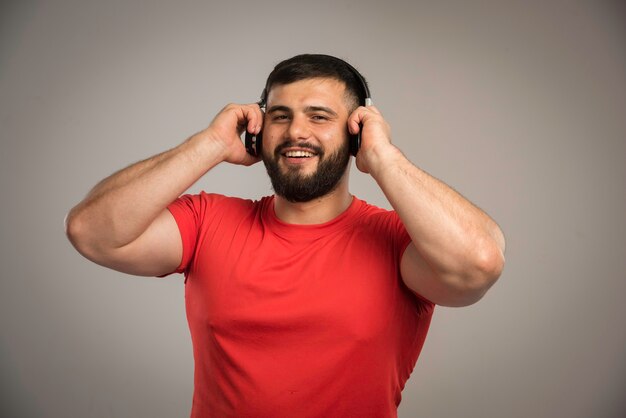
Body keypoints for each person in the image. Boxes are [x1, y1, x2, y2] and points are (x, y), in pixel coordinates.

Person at [66, 54, 505, 418]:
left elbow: (479, 264)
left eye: (319, 116)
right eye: (280, 116)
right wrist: (211, 144)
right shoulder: (207, 221)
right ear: (259, 132)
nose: (296, 131)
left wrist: (385, 157)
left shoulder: (396, 241)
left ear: (355, 133)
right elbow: (92, 232)